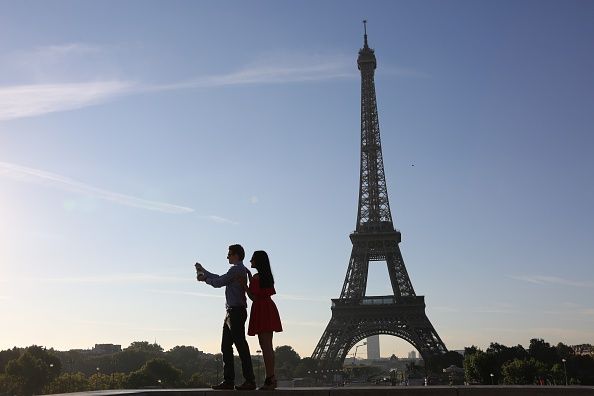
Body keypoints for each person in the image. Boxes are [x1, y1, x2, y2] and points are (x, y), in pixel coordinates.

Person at [197, 244, 256, 390]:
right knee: (228, 346)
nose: (227, 257)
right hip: (233, 312)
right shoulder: (239, 269)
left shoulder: (236, 269)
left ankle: (244, 380)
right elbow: (221, 278)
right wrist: (205, 272)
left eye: (229, 254)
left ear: (236, 255)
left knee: (238, 346)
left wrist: (205, 279)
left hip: (235, 312)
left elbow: (219, 282)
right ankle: (232, 381)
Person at [242, 250, 283, 390]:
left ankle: (270, 378)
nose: (250, 261)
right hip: (267, 308)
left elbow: (253, 297)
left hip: (261, 309)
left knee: (265, 346)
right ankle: (271, 378)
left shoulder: (257, 278)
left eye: (252, 259)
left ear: (257, 261)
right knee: (267, 345)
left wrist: (245, 286)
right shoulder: (265, 277)